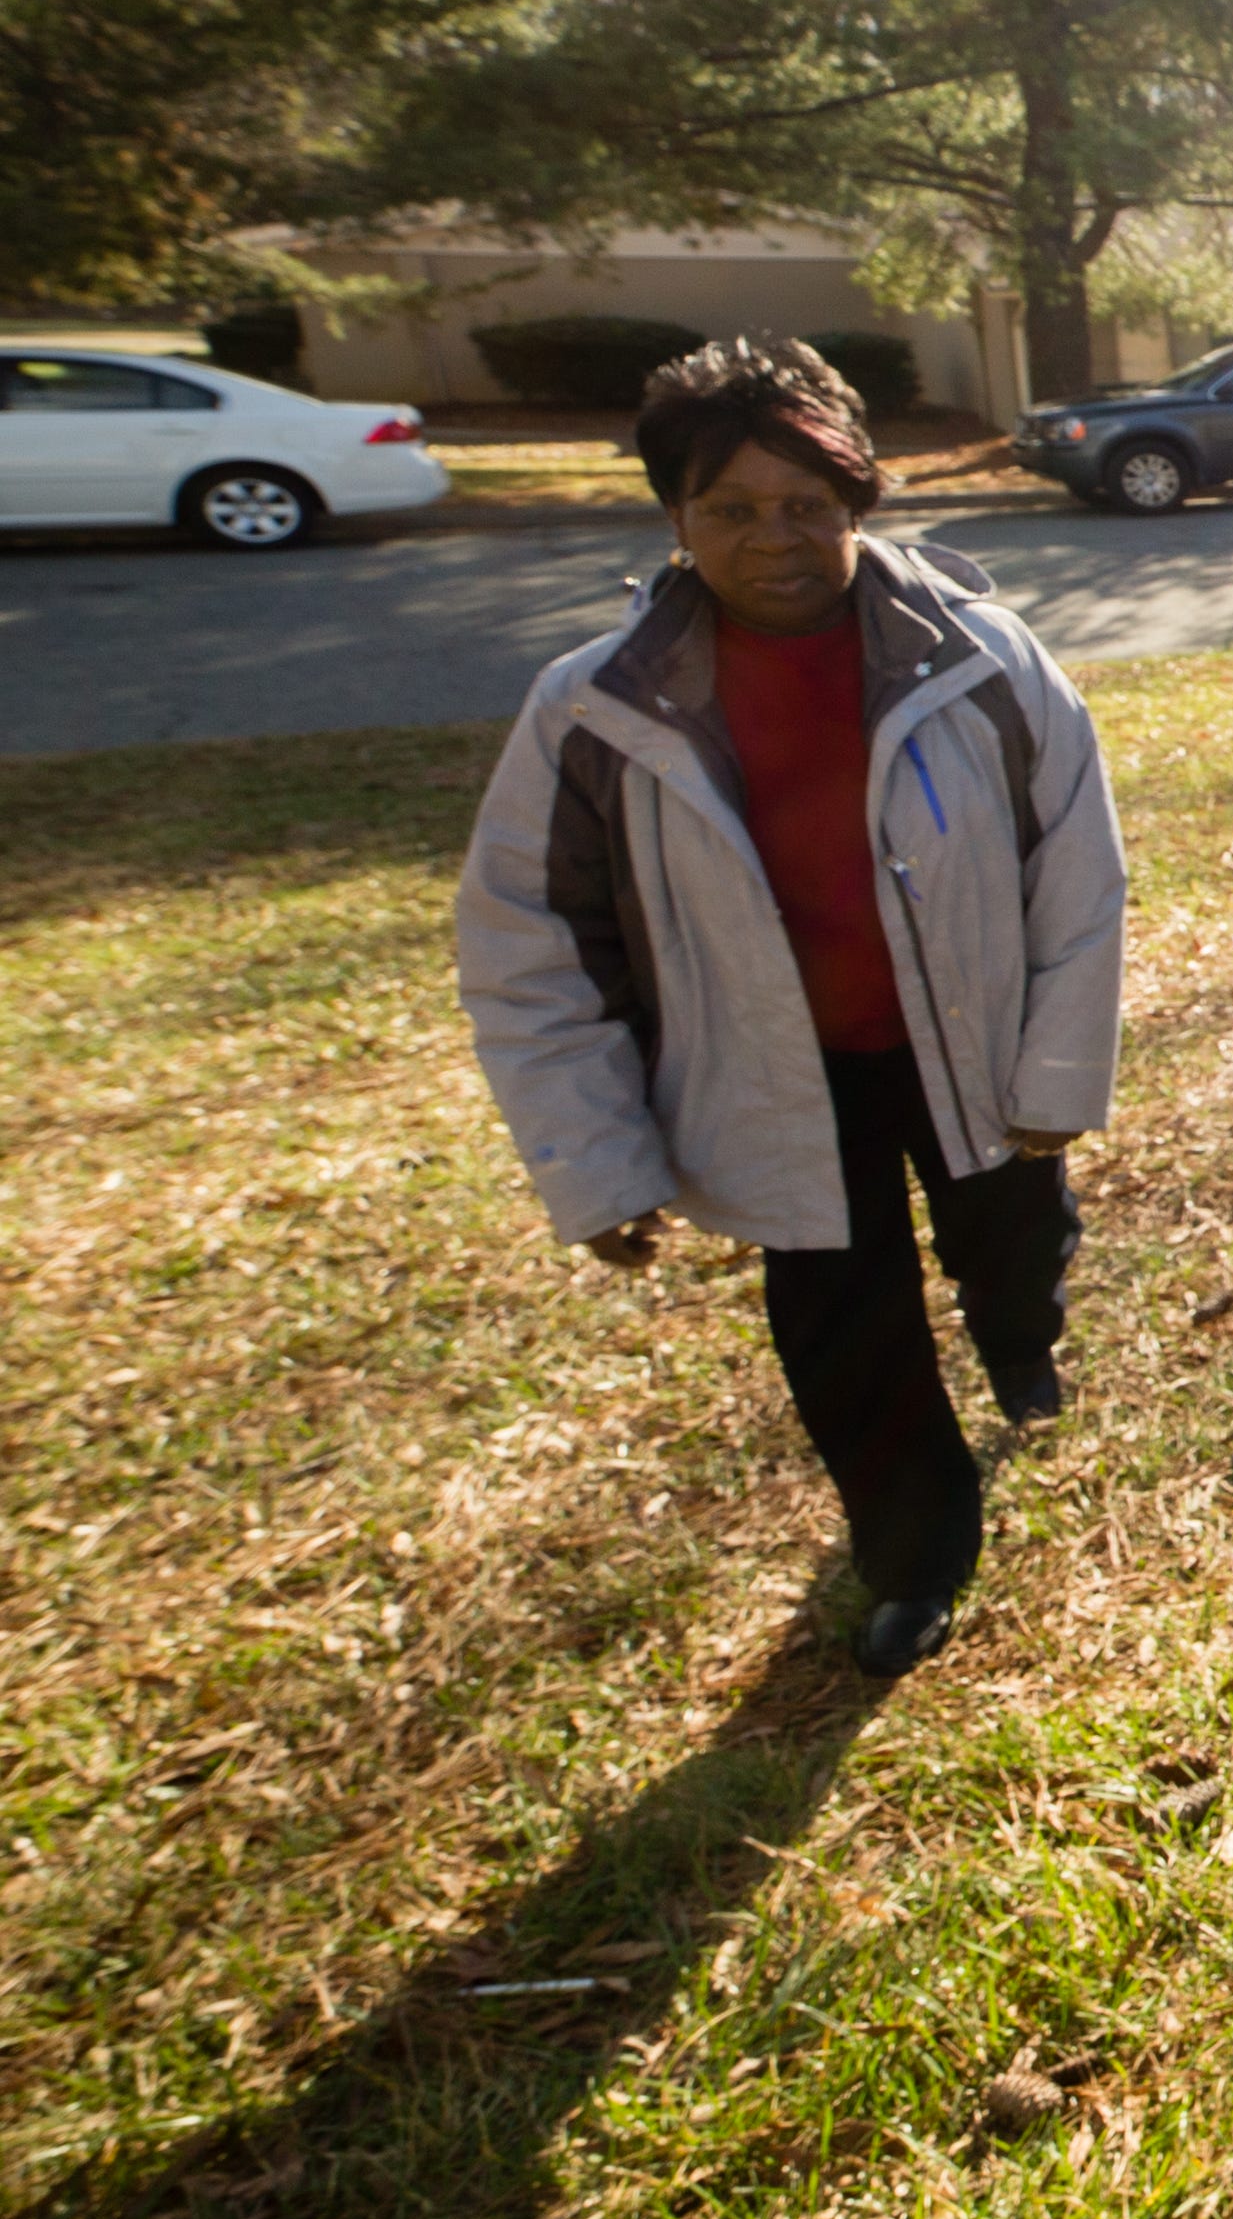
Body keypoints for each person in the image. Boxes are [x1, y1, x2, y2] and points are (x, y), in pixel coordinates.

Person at [455, 335, 1124, 1680]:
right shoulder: (591, 708)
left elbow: (1079, 869)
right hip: (770, 1082)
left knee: (1009, 1236)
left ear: (861, 501)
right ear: (676, 521)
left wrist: (1057, 1076)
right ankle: (916, 1554)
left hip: (975, 1061)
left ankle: (1020, 1333)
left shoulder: (984, 658)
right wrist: (597, 1163)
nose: (777, 540)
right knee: (844, 1331)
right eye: (733, 511)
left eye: (809, 505)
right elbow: (529, 944)